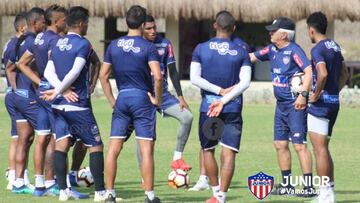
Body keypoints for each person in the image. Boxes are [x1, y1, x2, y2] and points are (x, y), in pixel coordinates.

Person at [41, 6, 106, 201]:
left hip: (58, 106)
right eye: (87, 23)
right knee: (96, 146)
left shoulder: (58, 43)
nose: (87, 26)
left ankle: (63, 191)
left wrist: (56, 91)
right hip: (77, 104)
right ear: (80, 24)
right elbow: (75, 72)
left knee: (61, 146)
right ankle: (100, 193)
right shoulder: (83, 44)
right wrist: (62, 90)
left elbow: (47, 73)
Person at [99, 5, 162, 203]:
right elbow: (158, 77)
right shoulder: (148, 47)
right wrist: (158, 100)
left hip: (122, 99)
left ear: (126, 22)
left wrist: (112, 101)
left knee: (113, 148)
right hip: (142, 99)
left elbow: (103, 76)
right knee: (146, 150)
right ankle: (150, 196)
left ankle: (109, 194)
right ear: (143, 25)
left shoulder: (113, 46)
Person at [249, 17, 316, 196]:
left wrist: (303, 94)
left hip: (295, 105)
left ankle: (309, 187)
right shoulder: (271, 49)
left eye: (274, 30)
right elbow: (251, 57)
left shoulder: (294, 50)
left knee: (299, 145)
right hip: (280, 106)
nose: (270, 33)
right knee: (279, 144)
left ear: (284, 34)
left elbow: (309, 71)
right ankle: (287, 185)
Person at [190, 11, 252, 203]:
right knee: (229, 151)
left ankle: (215, 191)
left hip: (208, 107)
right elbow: (245, 82)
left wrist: (217, 92)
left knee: (208, 150)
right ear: (233, 28)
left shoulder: (201, 49)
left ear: (215, 25)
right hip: (233, 108)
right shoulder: (241, 51)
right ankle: (222, 196)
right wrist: (225, 98)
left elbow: (194, 79)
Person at [17, 4, 68, 196]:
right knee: (56, 139)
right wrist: (54, 85)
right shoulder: (56, 41)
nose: (66, 22)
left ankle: (39, 184)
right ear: (56, 21)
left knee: (41, 138)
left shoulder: (38, 38)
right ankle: (50, 182)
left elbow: (21, 64)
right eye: (64, 19)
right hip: (53, 94)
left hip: (41, 93)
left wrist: (40, 83)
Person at [134, 14, 193, 172]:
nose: (153, 31)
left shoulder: (165, 44)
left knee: (187, 117)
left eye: (154, 27)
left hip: (164, 95)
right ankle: (143, 177)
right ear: (141, 29)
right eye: (149, 28)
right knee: (145, 139)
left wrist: (180, 96)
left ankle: (177, 159)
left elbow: (173, 72)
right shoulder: (136, 45)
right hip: (143, 95)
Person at [306, 12, 349, 203]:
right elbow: (345, 74)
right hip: (333, 104)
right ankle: (328, 191)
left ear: (311, 30)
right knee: (324, 148)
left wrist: (314, 95)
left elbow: (322, 73)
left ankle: (325, 195)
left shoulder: (317, 49)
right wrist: (334, 91)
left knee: (319, 150)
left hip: (321, 106)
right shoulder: (335, 46)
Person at [6, 7, 46, 194]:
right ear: (34, 23)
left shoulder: (15, 42)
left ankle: (18, 181)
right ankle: (47, 183)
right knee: (50, 135)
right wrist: (40, 86)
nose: (45, 26)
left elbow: (10, 67)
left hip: (16, 97)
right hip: (28, 97)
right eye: (43, 23)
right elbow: (34, 68)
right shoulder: (33, 42)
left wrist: (15, 90)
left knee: (24, 139)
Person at [2, 12, 29, 191]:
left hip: (12, 94)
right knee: (22, 138)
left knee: (16, 138)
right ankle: (20, 177)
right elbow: (12, 67)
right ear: (21, 28)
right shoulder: (17, 45)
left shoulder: (9, 43)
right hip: (19, 94)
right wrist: (18, 89)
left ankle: (13, 177)